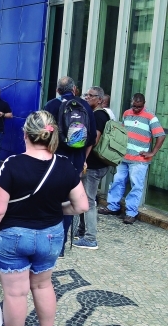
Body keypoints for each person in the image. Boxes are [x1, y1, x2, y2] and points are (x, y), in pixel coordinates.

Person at [0, 110, 88, 326]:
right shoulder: (65, 165)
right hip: (50, 236)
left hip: (13, 237)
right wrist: (59, 209)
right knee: (43, 285)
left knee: (16, 293)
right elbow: (81, 206)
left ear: (25, 133)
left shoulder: (12, 164)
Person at [43, 76, 96, 256]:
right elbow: (92, 138)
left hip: (53, 162)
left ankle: (46, 241)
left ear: (58, 90)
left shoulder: (51, 105)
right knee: (68, 202)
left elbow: (42, 135)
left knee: (50, 200)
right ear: (75, 90)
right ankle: (61, 244)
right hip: (74, 165)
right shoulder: (85, 106)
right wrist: (83, 160)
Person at [99, 93, 165, 224]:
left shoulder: (150, 117)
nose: (135, 109)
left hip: (139, 159)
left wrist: (153, 152)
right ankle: (113, 207)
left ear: (144, 104)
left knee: (136, 185)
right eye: (134, 106)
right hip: (124, 156)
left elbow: (161, 135)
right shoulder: (127, 113)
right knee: (117, 181)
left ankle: (131, 213)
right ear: (131, 102)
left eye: (139, 107)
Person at [74, 86, 110, 250]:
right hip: (95, 164)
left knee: (89, 200)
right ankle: (81, 231)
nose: (87, 97)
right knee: (84, 198)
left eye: (91, 95)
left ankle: (90, 238)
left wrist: (84, 160)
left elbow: (94, 140)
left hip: (94, 166)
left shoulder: (99, 115)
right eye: (86, 95)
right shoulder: (97, 114)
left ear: (100, 99)